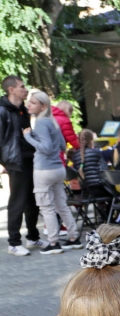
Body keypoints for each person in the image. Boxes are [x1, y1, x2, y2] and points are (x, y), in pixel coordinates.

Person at [22, 91, 81, 254]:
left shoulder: (41, 122)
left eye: (33, 103)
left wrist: (28, 137)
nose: (29, 105)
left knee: (46, 207)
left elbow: (46, 148)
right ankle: (74, 237)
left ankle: (53, 242)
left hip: (44, 169)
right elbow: (62, 145)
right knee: (61, 205)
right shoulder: (53, 121)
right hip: (58, 169)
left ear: (43, 106)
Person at [0, 75, 43, 256]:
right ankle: (14, 242)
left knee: (32, 200)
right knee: (17, 200)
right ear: (12, 90)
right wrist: (5, 162)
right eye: (22, 87)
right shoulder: (2, 111)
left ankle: (33, 236)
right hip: (15, 162)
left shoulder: (22, 110)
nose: (26, 90)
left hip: (29, 159)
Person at [73, 129, 112, 222]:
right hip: (98, 189)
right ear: (91, 141)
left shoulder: (75, 155)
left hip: (85, 191)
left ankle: (104, 217)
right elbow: (104, 170)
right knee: (116, 196)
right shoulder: (96, 152)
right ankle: (108, 218)